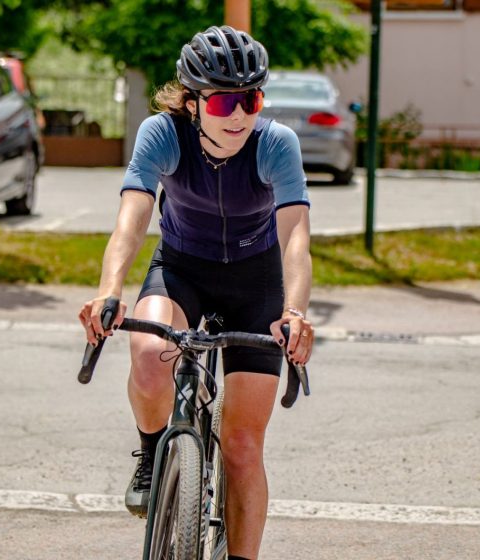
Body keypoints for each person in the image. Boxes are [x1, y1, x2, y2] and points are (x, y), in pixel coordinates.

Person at [79, 25, 314, 560]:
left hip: (255, 281)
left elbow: (295, 236)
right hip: (182, 268)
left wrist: (294, 311)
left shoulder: (275, 144)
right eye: (225, 102)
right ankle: (150, 452)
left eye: (251, 99)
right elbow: (133, 217)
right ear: (191, 102)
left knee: (242, 446)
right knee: (147, 357)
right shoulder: (162, 133)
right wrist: (108, 290)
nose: (239, 115)